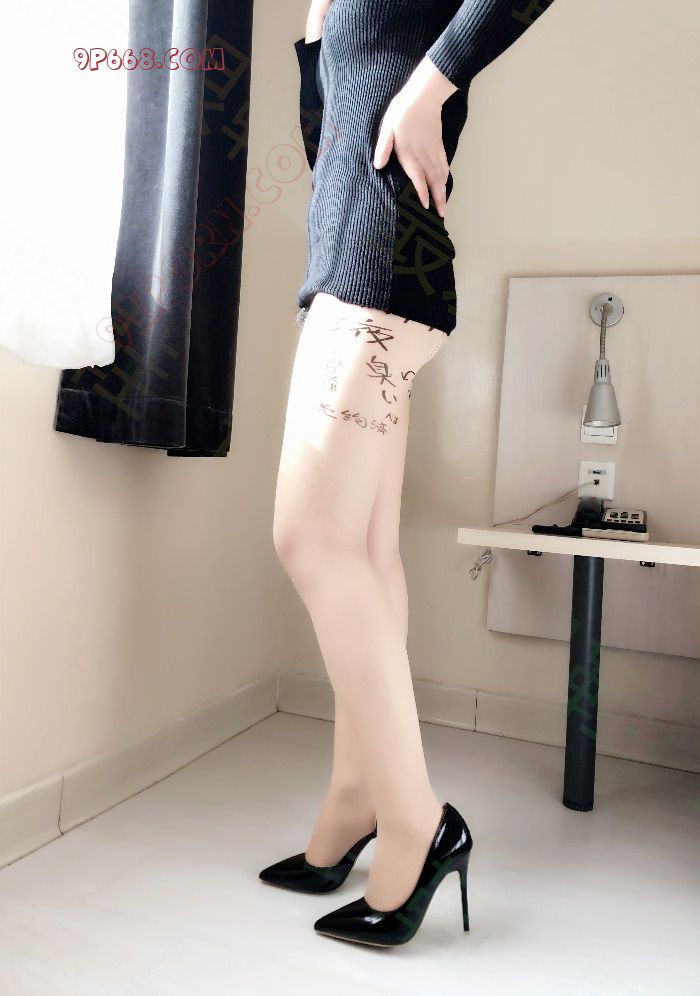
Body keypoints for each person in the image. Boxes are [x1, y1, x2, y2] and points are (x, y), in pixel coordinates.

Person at [259, 0, 557, 947]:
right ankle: (354, 798)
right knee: (365, 550)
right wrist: (318, 26)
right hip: (355, 259)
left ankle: (417, 823)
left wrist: (434, 84)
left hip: (377, 255)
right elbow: (327, 141)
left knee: (310, 538)